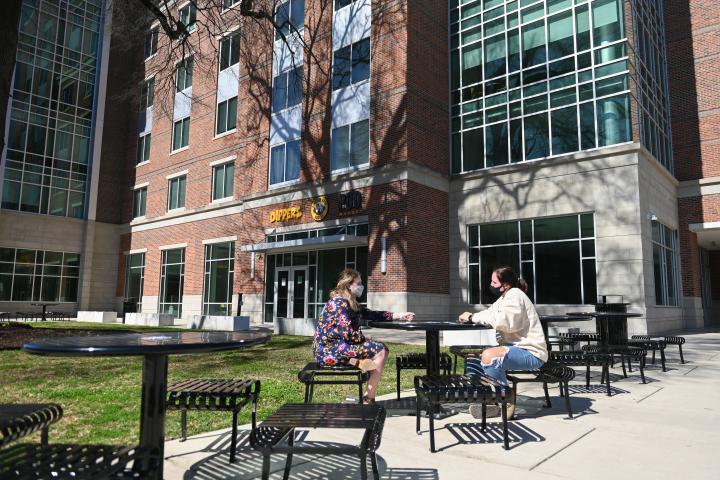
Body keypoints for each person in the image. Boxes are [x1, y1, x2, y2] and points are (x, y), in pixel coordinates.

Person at [458, 266, 548, 419]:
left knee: (489, 356)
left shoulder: (515, 295)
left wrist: (472, 318)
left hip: (531, 353)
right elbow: (489, 312)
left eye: (494, 282)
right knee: (472, 358)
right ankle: (486, 399)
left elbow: (503, 321)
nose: (491, 285)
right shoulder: (504, 298)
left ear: (505, 285)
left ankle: (505, 397)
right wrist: (471, 315)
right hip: (514, 350)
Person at [314, 268, 415, 404]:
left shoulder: (350, 303)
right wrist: (366, 339)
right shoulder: (339, 303)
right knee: (381, 350)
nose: (361, 286)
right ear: (349, 285)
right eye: (359, 283)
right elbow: (348, 334)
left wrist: (399, 315)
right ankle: (368, 398)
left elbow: (372, 314)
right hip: (329, 351)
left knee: (378, 351)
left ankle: (363, 368)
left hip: (338, 348)